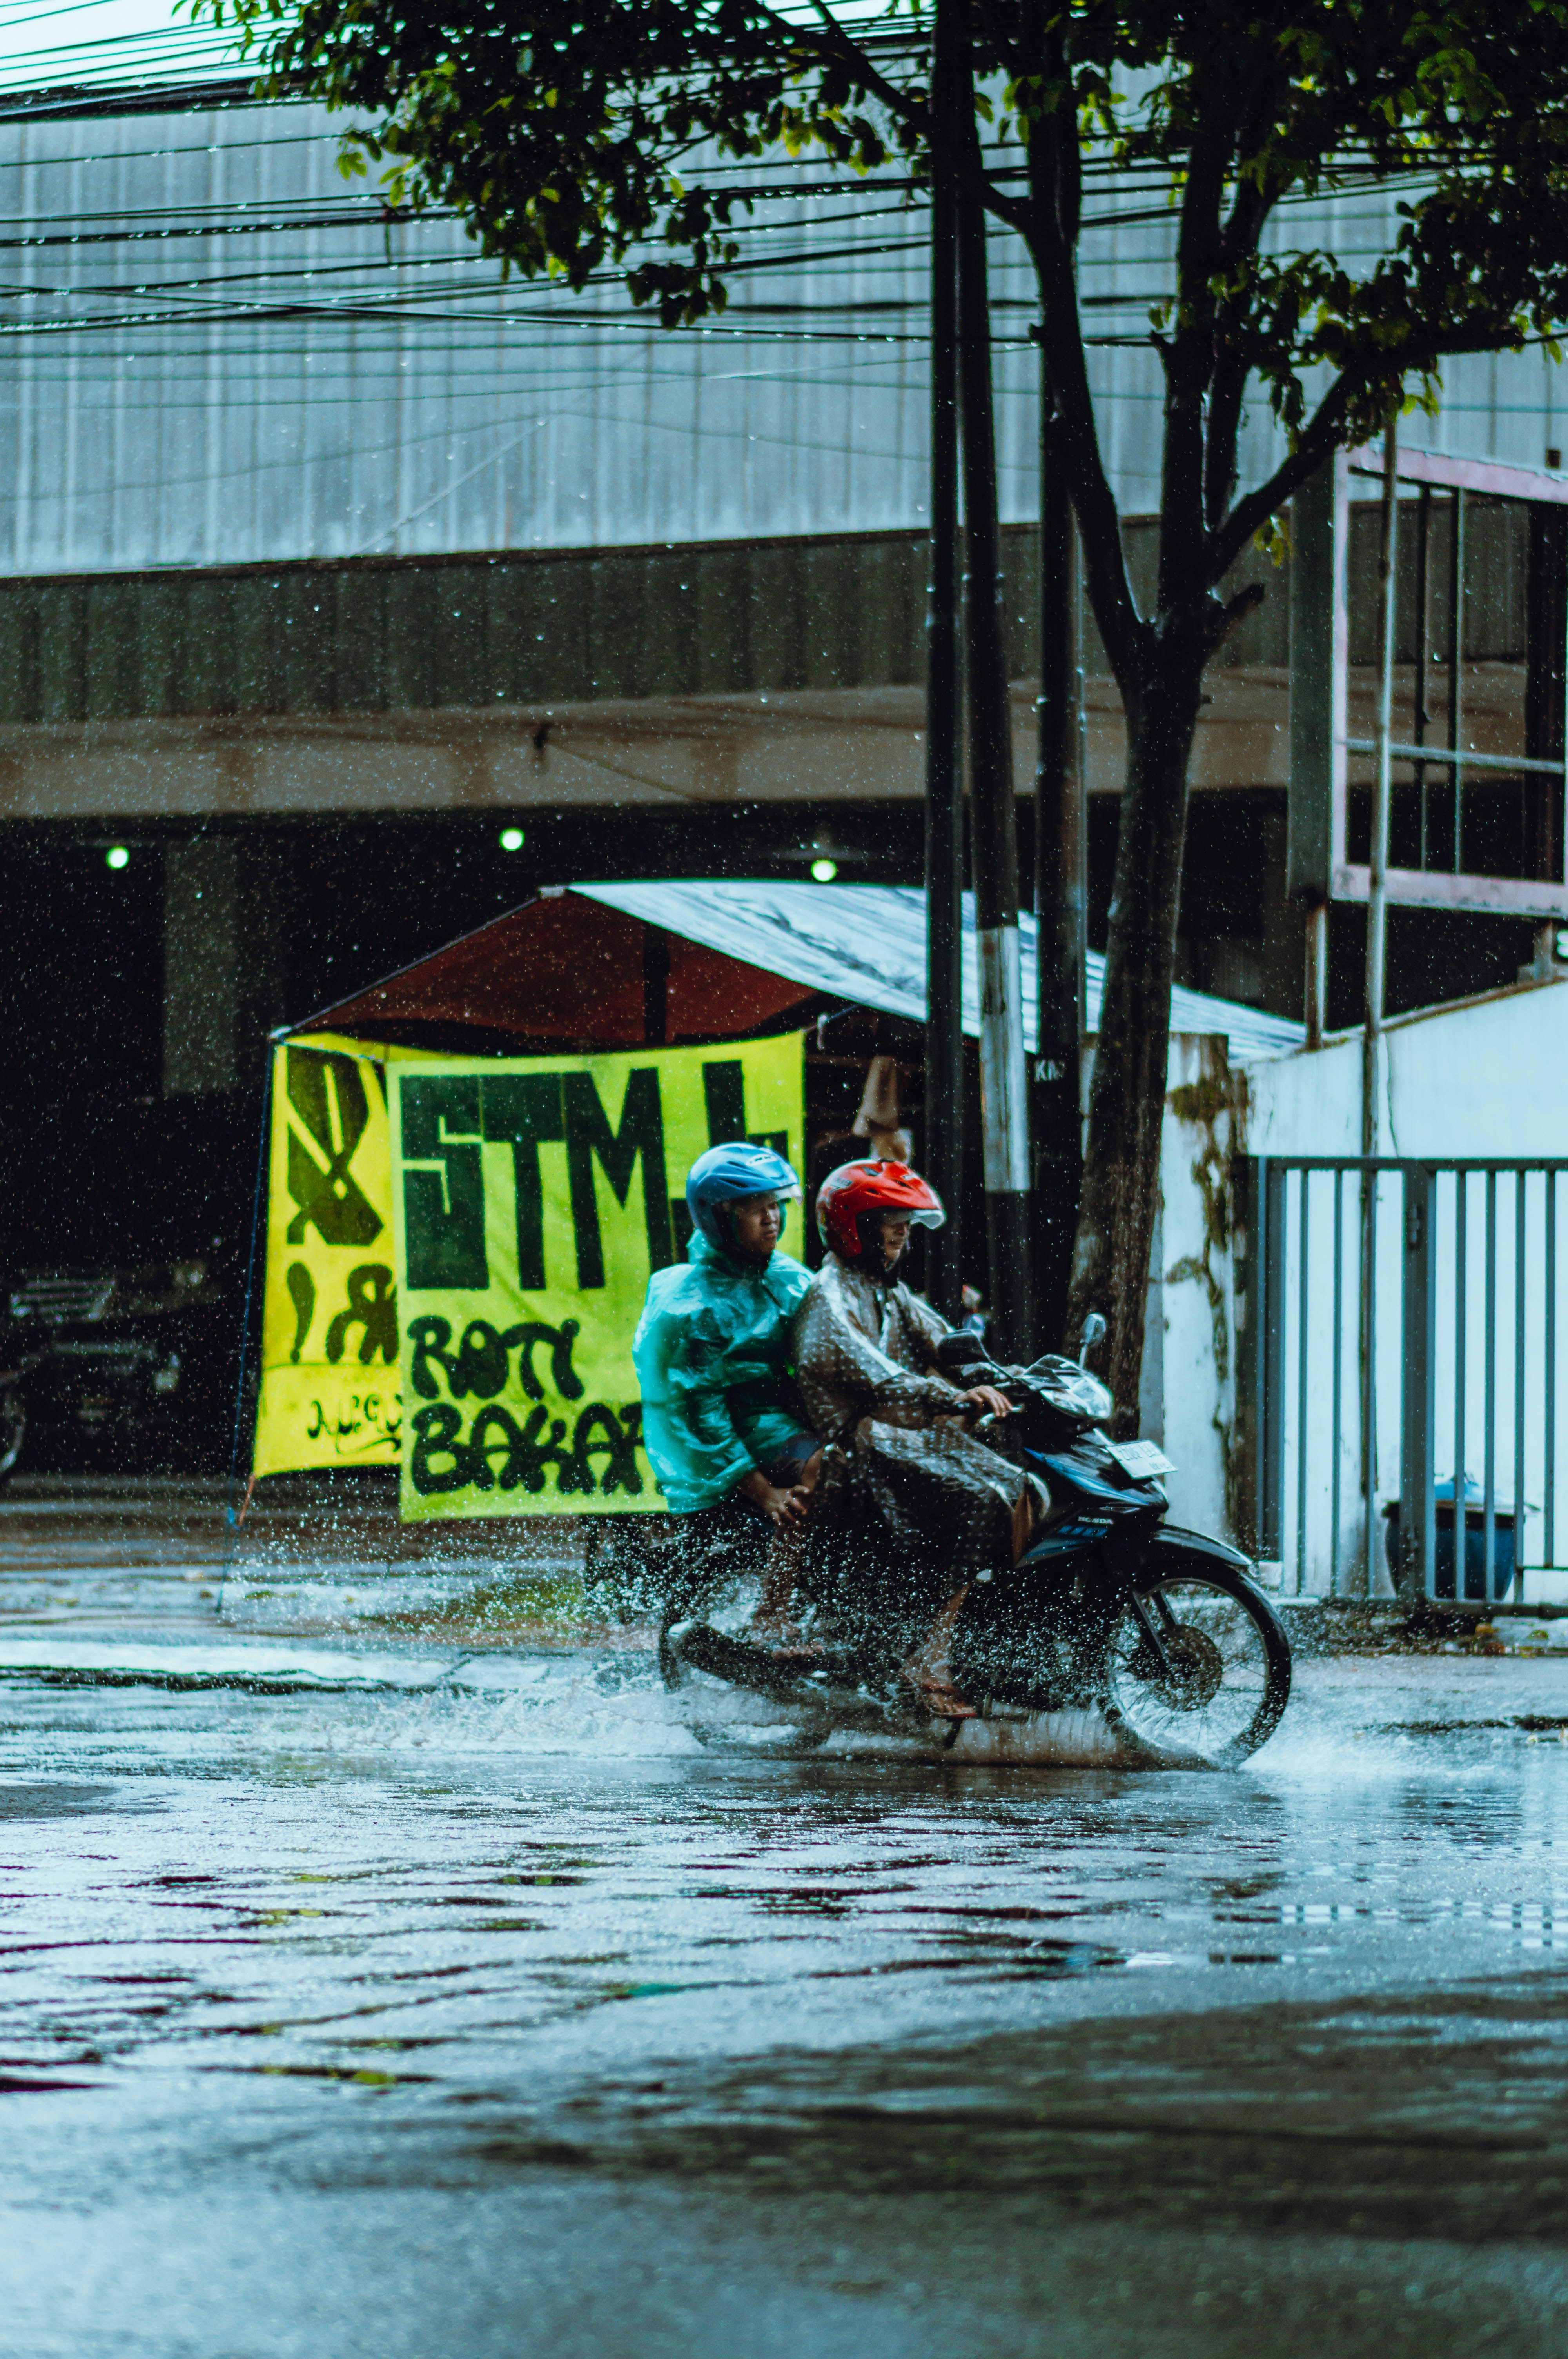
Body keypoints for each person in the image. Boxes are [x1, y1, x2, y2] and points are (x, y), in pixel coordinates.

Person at [791, 1159, 1033, 1721]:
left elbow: (945, 1342)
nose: (903, 1231)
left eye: (906, 1221)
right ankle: (928, 1659)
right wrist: (956, 1398)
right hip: (865, 1452)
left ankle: (982, 1638)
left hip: (908, 1441)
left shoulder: (888, 1290)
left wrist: (1008, 1378)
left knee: (1020, 1485)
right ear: (854, 1227)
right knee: (982, 1501)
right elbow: (881, 1377)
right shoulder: (830, 1298)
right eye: (890, 1220)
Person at [633, 1144, 824, 1606]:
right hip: (750, 1430)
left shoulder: (786, 1275)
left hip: (789, 1417)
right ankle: (773, 1608)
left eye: (775, 1204)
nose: (771, 1218)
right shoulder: (694, 1306)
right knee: (819, 1463)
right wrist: (764, 1494)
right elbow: (700, 1415)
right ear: (718, 1219)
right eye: (755, 1208)